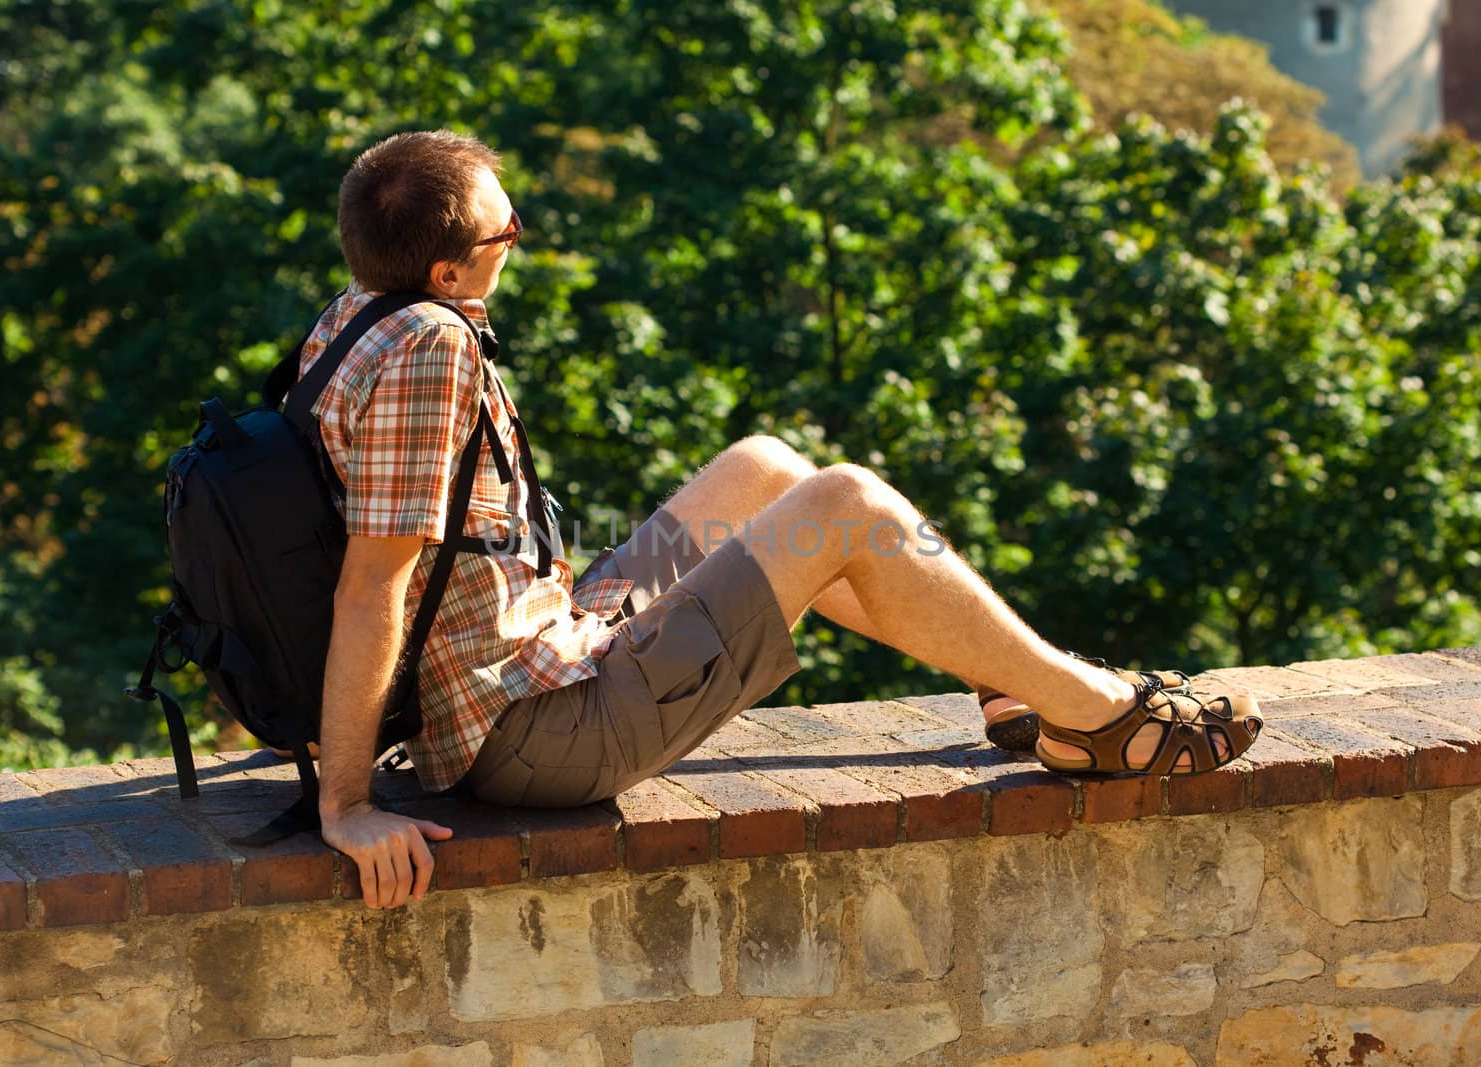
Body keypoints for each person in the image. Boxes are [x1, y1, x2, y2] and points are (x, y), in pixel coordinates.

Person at [306, 129, 1263, 910]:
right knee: (845, 501)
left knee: (766, 470)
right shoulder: (432, 351)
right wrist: (347, 805)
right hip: (534, 735)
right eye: (504, 231)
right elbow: (370, 584)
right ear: (445, 271)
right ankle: (1098, 715)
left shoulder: (358, 314)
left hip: (537, 650)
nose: (516, 237)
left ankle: (1008, 684)